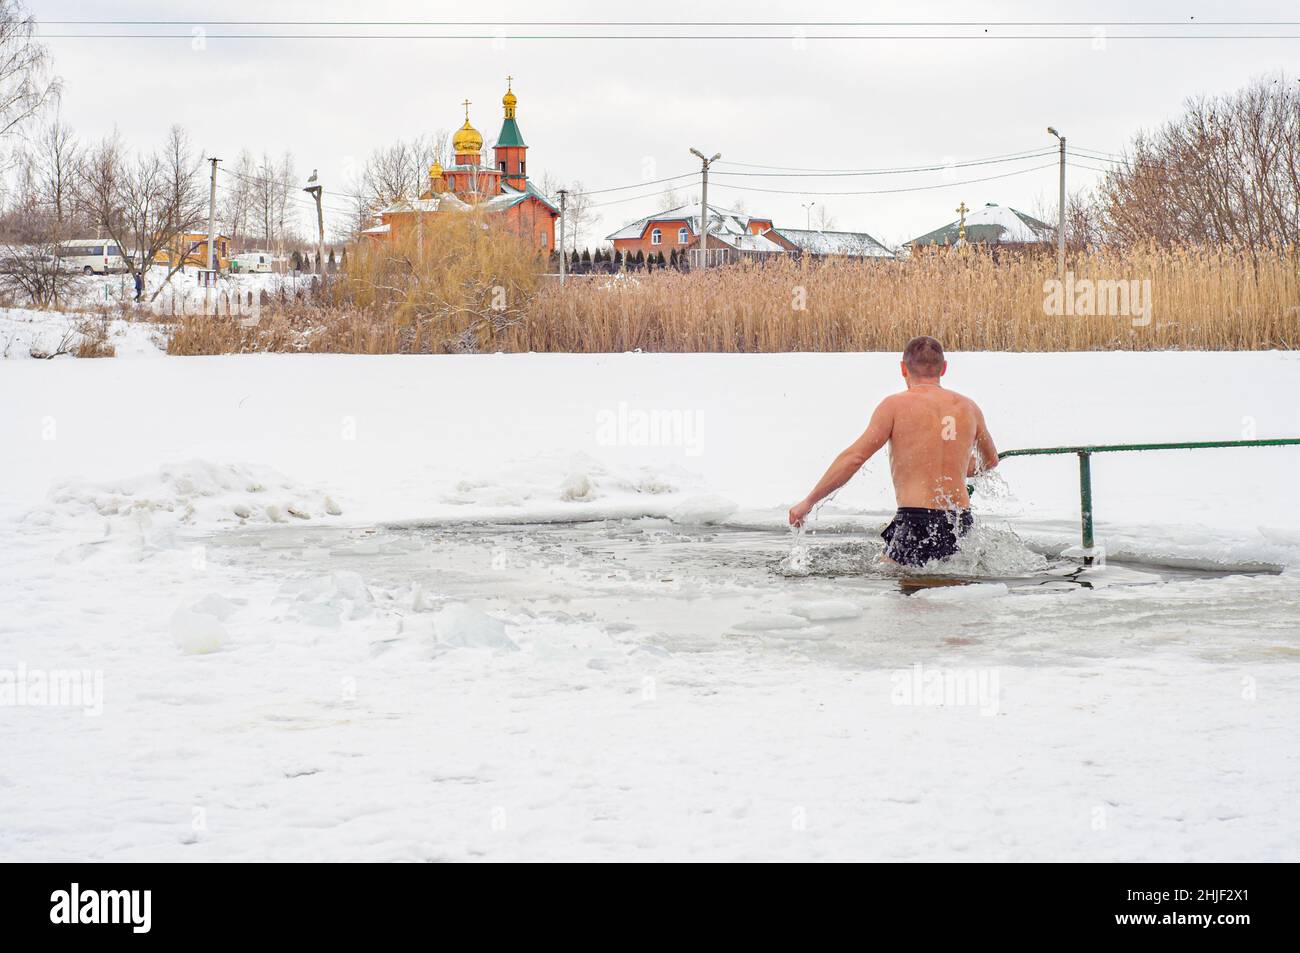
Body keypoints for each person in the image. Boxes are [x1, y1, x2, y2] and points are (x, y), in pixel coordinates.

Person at [788, 336, 999, 567]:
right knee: (952, 594)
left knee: (906, 597)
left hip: (916, 519)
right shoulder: (969, 408)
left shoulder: (895, 406)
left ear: (902, 368)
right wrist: (961, 467)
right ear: (944, 368)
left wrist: (808, 502)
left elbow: (855, 458)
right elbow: (990, 461)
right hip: (960, 520)